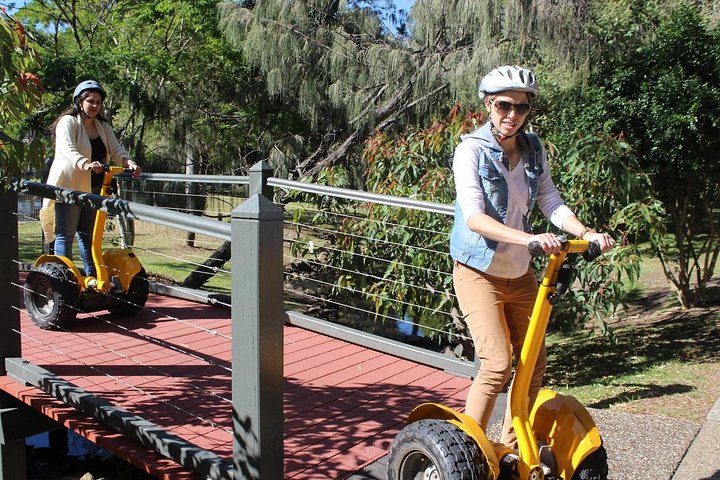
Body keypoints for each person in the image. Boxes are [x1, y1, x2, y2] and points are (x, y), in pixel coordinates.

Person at [449, 65, 615, 448]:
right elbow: (474, 218)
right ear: (489, 105)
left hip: (521, 275)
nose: (513, 115)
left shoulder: (533, 148)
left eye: (521, 108)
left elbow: (550, 201)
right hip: (478, 272)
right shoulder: (470, 151)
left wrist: (586, 233)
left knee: (532, 367)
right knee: (495, 364)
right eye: (504, 105)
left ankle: (511, 450)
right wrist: (529, 239)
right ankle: (467, 454)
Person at [42, 80, 141, 278]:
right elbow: (67, 149)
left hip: (94, 190)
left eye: (98, 102)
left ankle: (93, 279)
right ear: (80, 102)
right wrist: (85, 163)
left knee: (89, 237)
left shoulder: (102, 126)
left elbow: (116, 149)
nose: (95, 105)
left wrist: (129, 162)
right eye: (90, 101)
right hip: (69, 188)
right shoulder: (67, 122)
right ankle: (64, 281)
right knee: (65, 235)